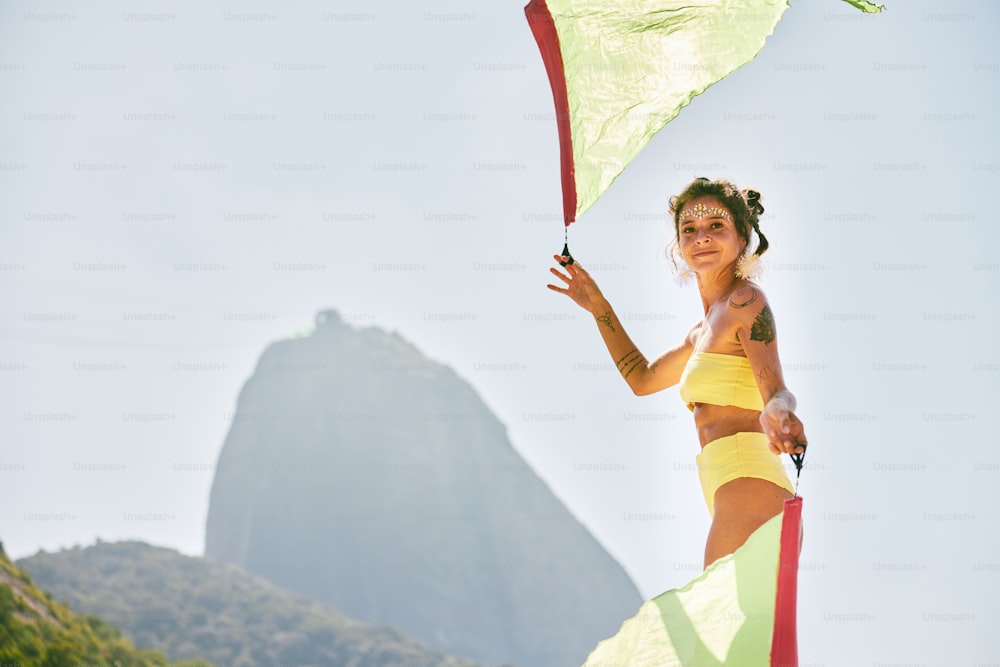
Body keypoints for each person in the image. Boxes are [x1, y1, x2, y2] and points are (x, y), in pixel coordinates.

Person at [547, 177, 806, 569]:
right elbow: (642, 379)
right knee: (734, 628)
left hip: (749, 478)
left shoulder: (744, 301)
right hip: (725, 485)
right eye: (689, 230)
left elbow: (777, 391)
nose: (701, 237)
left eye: (716, 226)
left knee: (726, 626)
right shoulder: (699, 334)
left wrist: (779, 412)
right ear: (678, 247)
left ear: (742, 236)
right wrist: (599, 307)